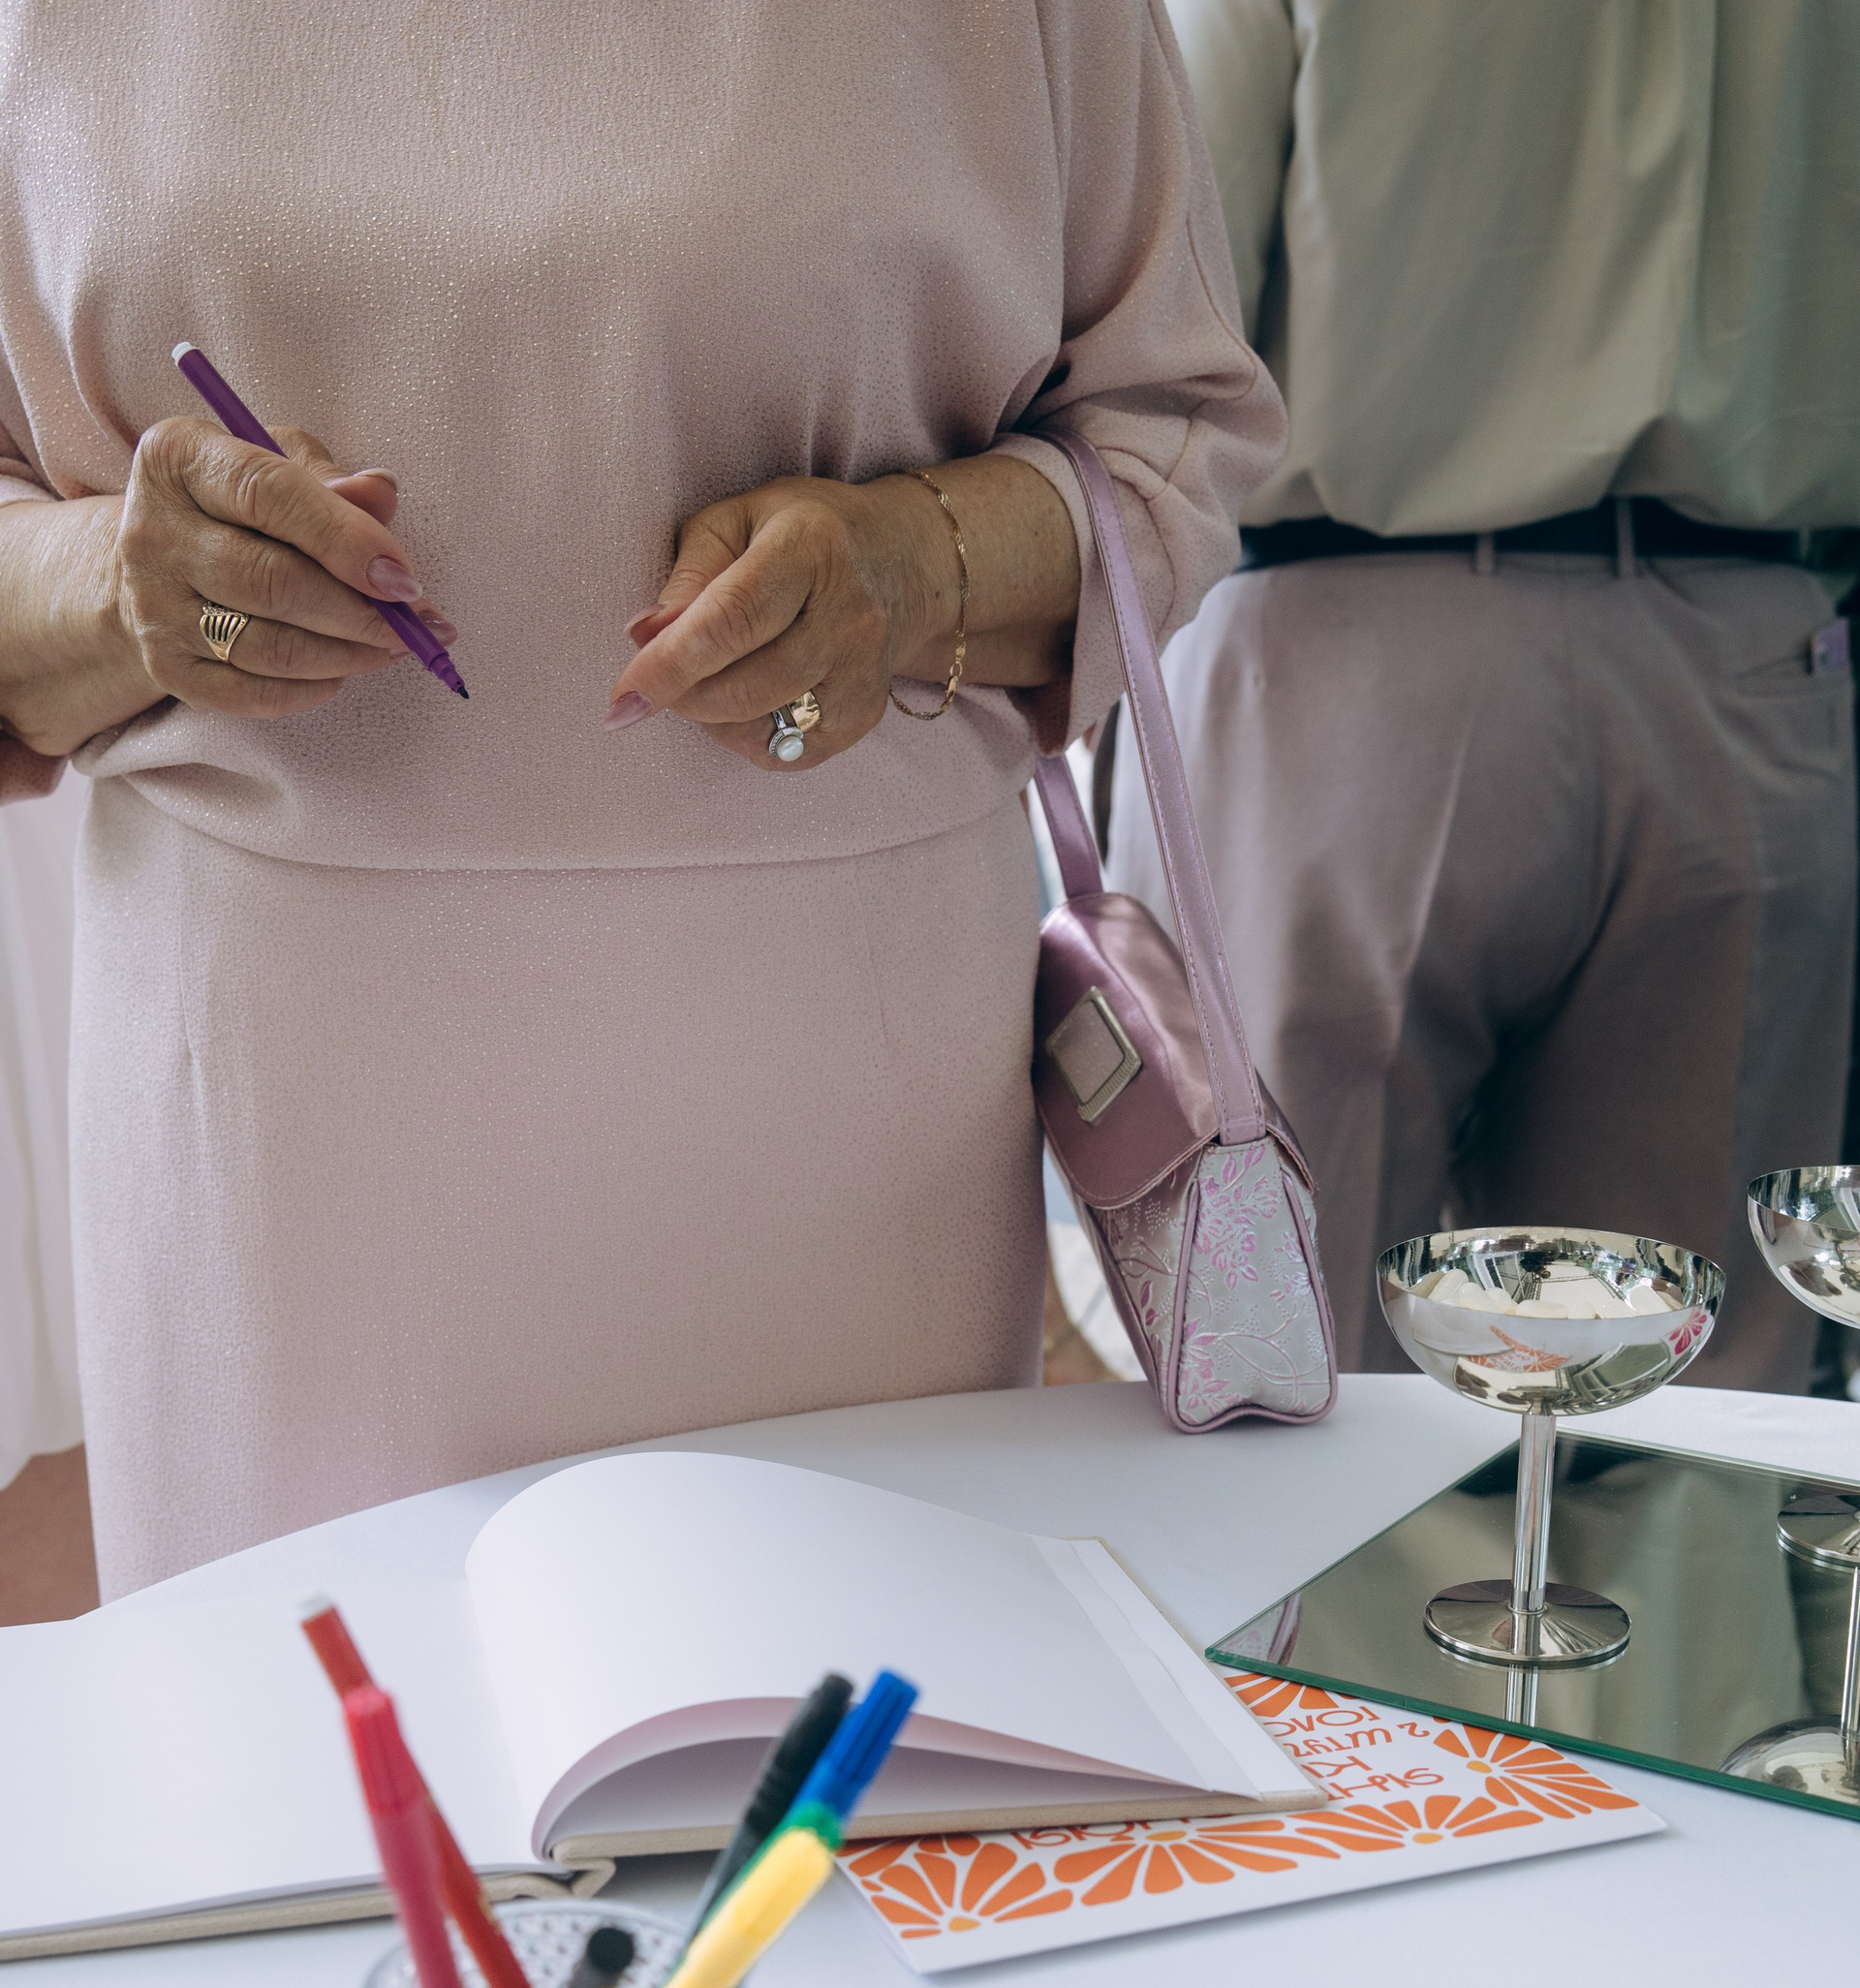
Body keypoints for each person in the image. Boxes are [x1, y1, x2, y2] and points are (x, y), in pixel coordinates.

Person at [0, 2, 1285, 1599]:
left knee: (854, 1711)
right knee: (304, 1733)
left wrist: (915, 567)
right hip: (267, 1148)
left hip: (840, 1132)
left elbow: (1175, 440)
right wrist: (120, 578)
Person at [1107, 0, 1860, 1390]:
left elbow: (1160, 306)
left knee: (1272, 1370)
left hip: (1348, 670)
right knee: (1686, 1415)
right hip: (1750, 661)